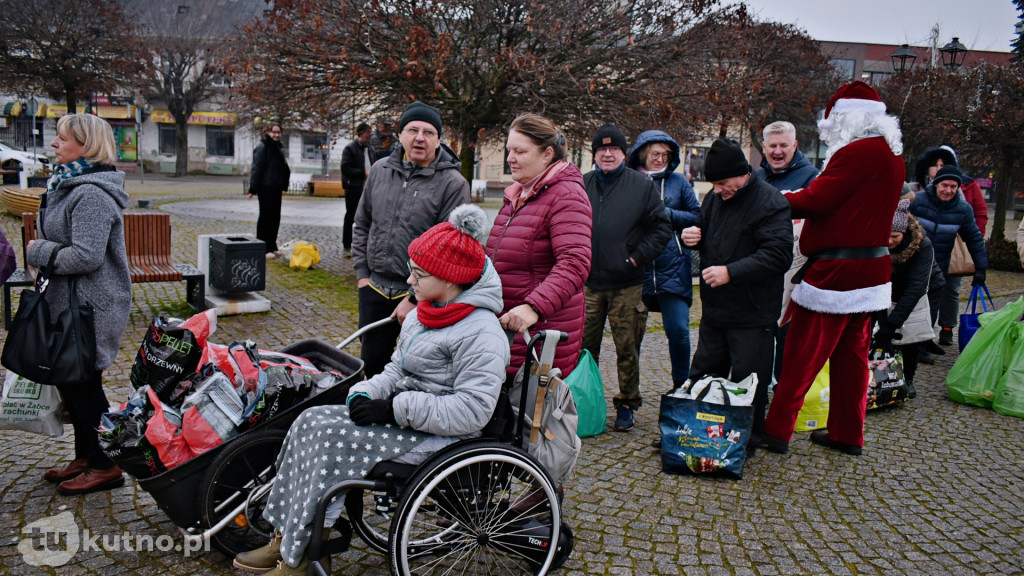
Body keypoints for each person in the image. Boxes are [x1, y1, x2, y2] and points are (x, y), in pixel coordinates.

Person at [233, 205, 508, 576]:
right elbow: (397, 368)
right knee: (309, 422)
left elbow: (472, 411)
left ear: (449, 279)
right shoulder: (426, 312)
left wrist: (392, 408)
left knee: (334, 442)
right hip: (409, 418)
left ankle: (304, 554)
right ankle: (286, 537)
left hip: (445, 435)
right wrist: (367, 392)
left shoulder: (482, 332)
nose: (409, 281)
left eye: (419, 274)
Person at [761, 80, 905, 456]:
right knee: (851, 359)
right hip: (871, 271)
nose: (830, 132)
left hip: (836, 273)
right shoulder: (891, 153)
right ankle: (848, 433)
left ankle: (776, 431)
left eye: (833, 123)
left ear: (849, 119)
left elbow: (818, 199)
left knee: (802, 356)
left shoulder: (858, 152)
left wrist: (770, 200)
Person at [28, 114, 132, 495]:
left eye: (63, 138)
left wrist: (38, 251)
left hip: (92, 307)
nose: (54, 144)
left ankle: (106, 465)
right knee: (73, 382)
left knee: (84, 385)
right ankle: (87, 456)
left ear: (86, 147)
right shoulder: (68, 185)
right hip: (71, 303)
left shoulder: (91, 194)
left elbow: (87, 256)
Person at [680, 138, 793, 446]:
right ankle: (693, 428)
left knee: (748, 380)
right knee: (703, 373)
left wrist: (731, 272)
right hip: (716, 309)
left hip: (753, 313)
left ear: (741, 174)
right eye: (713, 184)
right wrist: (693, 236)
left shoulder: (771, 202)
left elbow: (778, 256)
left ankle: (748, 438)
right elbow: (705, 230)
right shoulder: (715, 198)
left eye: (722, 183)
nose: (717, 190)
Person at [352, 101, 471, 377]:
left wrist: (416, 298)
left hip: (424, 298)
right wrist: (362, 276)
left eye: (428, 132)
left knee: (417, 373)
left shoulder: (453, 184)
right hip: (374, 289)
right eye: (413, 130)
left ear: (438, 140)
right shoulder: (380, 170)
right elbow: (362, 224)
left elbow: (448, 248)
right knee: (372, 366)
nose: (420, 138)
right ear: (400, 135)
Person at [486, 113, 591, 383]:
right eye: (509, 150)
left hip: (538, 333)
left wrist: (533, 308)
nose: (510, 158)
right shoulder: (517, 195)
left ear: (547, 154)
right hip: (509, 329)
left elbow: (575, 263)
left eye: (520, 151)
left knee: (531, 407)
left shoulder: (566, 195)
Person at [582, 123, 671, 432]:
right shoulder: (582, 184)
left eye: (614, 149)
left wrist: (635, 257)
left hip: (627, 283)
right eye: (602, 149)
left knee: (627, 347)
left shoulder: (641, 186)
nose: (607, 154)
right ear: (595, 153)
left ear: (624, 153)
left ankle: (627, 404)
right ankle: (585, 400)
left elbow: (662, 229)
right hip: (588, 283)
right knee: (584, 349)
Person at [627, 130, 700, 389]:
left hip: (673, 267)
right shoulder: (629, 181)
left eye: (665, 155)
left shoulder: (679, 182)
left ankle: (681, 386)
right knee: (631, 336)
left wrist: (665, 213)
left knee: (679, 331)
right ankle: (628, 393)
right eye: (655, 154)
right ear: (643, 154)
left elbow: (696, 216)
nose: (660, 159)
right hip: (637, 269)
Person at [757, 120, 820, 384]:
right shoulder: (756, 178)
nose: (778, 151)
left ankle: (784, 386)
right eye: (773, 146)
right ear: (764, 147)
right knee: (760, 330)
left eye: (783, 145)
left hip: (796, 272)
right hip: (760, 267)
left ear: (795, 145)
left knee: (788, 333)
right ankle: (759, 384)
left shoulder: (812, 178)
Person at [911, 147, 988, 347]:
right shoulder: (917, 202)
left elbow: (974, 238)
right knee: (911, 303)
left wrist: (981, 267)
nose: (948, 190)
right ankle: (906, 343)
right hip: (913, 264)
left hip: (940, 265)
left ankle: (924, 343)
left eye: (953, 187)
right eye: (945, 185)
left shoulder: (963, 210)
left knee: (933, 305)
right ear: (936, 184)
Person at [875, 199, 944, 399]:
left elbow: (917, 287)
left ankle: (908, 378)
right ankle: (876, 377)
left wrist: (892, 323)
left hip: (916, 290)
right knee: (877, 335)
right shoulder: (873, 240)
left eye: (894, 236)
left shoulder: (923, 245)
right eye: (885, 235)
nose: (889, 241)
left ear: (904, 232)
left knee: (910, 336)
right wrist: (882, 321)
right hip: (884, 289)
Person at [248, 123, 290, 258]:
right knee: (265, 218)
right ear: (267, 132)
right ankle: (264, 247)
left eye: (279, 132)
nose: (276, 135)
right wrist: (253, 188)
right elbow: (257, 168)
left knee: (275, 218)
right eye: (274, 132)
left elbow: (283, 167)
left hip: (275, 187)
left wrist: (284, 185)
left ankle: (272, 245)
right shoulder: (263, 147)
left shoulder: (277, 147)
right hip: (265, 187)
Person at [339, 122, 377, 258]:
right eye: (367, 135)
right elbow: (345, 168)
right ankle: (347, 244)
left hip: (368, 188)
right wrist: (363, 174)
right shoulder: (350, 149)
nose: (369, 137)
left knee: (368, 217)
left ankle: (365, 245)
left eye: (370, 135)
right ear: (361, 134)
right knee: (351, 216)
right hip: (354, 188)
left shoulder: (371, 149)